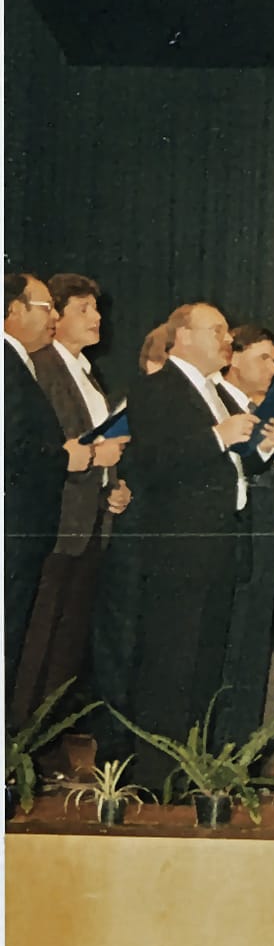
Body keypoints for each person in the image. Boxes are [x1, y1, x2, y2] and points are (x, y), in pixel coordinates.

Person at [122, 302, 274, 786]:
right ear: (182, 337)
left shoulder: (215, 392)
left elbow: (227, 470)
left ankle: (193, 772)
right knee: (171, 667)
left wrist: (260, 450)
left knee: (204, 670)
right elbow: (150, 464)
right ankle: (157, 780)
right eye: (215, 331)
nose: (226, 340)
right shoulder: (155, 388)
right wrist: (217, 436)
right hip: (180, 554)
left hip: (218, 551)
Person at [17, 274, 128, 722]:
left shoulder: (86, 373)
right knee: (36, 641)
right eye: (83, 309)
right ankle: (19, 747)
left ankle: (44, 741)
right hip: (58, 522)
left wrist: (115, 485)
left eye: (96, 309)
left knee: (65, 646)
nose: (97, 317)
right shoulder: (41, 367)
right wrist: (92, 458)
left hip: (90, 522)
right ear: (55, 317)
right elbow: (50, 445)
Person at [4, 274, 87, 697]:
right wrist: (63, 456)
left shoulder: (18, 362)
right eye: (46, 307)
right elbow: (10, 446)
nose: (54, 315)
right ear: (13, 311)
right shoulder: (6, 362)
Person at [212, 324, 274, 745]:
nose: (273, 368)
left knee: (253, 652)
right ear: (234, 357)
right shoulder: (217, 404)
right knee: (231, 649)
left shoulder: (263, 410)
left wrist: (270, 448)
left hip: (264, 543)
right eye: (263, 357)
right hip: (235, 541)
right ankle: (224, 751)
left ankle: (244, 750)